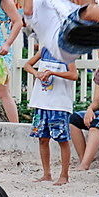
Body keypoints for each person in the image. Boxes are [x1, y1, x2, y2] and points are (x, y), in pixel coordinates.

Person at [23, 48, 78, 185]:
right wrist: (37, 73)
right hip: (41, 103)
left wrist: (53, 73)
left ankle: (64, 175)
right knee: (42, 139)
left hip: (59, 104)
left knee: (62, 139)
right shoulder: (44, 51)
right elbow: (27, 65)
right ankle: (46, 174)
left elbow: (74, 75)